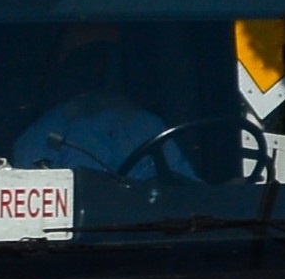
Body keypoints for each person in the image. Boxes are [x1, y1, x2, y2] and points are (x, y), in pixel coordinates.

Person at [10, 26, 194, 180]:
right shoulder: (45, 134)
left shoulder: (149, 126)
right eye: (87, 59)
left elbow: (187, 191)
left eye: (107, 58)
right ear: (67, 67)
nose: (98, 69)